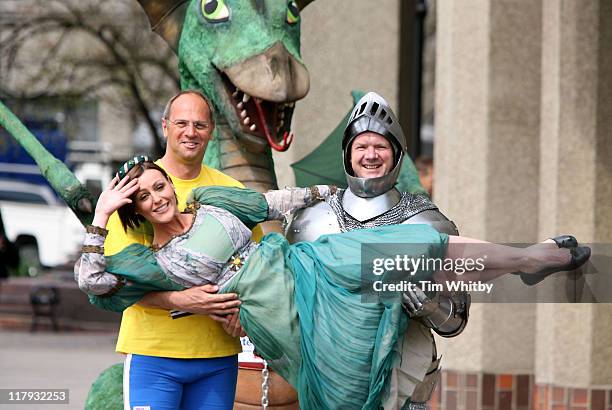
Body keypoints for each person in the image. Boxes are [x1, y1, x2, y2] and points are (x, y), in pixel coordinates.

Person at [76, 157, 590, 409]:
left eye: (159, 184)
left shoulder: (213, 202)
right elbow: (93, 280)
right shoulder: (154, 260)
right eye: (142, 196)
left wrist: (331, 192)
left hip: (304, 265)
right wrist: (101, 216)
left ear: (171, 183)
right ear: (136, 209)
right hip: (272, 309)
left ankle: (528, 257)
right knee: (342, 382)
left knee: (404, 243)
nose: (157, 197)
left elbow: (273, 203)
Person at [285, 92, 465, 409]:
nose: (371, 155)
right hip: (329, 384)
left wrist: (431, 306)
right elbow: (289, 306)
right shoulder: (312, 221)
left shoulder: (427, 223)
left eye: (380, 146)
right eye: (362, 146)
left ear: (396, 154)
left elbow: (456, 319)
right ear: (347, 154)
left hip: (404, 384)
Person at [100, 90, 263, 410]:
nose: (191, 132)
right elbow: (116, 284)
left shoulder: (230, 191)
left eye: (200, 125)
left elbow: (258, 268)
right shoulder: (135, 187)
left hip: (217, 356)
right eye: (182, 123)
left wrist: (246, 314)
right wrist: (181, 300)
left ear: (212, 131)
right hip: (154, 355)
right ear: (165, 126)